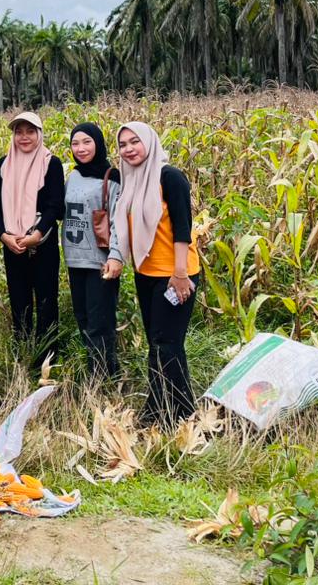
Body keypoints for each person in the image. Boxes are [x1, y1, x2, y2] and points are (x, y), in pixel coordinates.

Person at [104, 121, 201, 425]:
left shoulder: (169, 177)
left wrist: (181, 273)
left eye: (135, 142)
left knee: (166, 343)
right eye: (123, 144)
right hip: (145, 273)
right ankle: (182, 410)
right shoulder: (131, 181)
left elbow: (183, 228)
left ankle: (158, 412)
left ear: (150, 142)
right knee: (159, 343)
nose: (129, 149)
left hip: (175, 274)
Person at [0, 112, 65, 361]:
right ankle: (22, 353)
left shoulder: (50, 164)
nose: (24, 137)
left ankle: (48, 357)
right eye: (19, 132)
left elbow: (55, 206)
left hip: (42, 244)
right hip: (13, 243)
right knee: (19, 301)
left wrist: (38, 233)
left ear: (39, 134)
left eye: (29, 131)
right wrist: (3, 236)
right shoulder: (3, 164)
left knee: (46, 300)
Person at [62, 122, 122, 381]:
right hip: (75, 259)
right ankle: (101, 371)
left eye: (87, 142)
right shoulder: (73, 175)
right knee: (83, 319)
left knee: (101, 322)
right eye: (75, 143)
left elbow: (119, 220)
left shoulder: (112, 176)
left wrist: (115, 255)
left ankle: (102, 378)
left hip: (100, 261)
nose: (81, 148)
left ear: (98, 143)